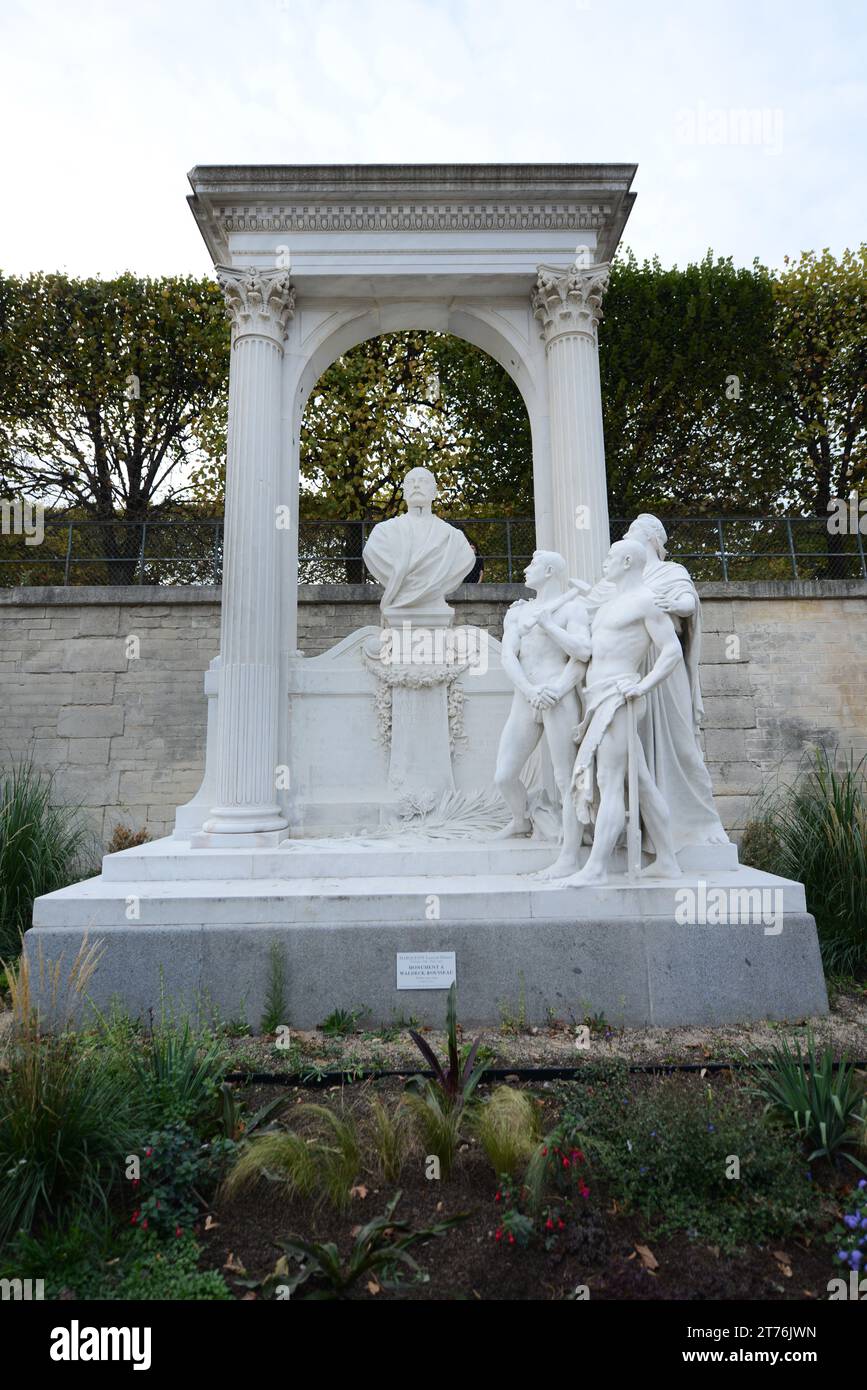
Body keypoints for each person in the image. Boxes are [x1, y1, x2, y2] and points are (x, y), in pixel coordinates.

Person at [551, 538, 684, 886]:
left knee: (608, 782)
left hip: (618, 698)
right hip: (598, 697)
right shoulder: (612, 602)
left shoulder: (644, 601)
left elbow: (671, 651)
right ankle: (668, 861)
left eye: (610, 556)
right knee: (640, 782)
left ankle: (596, 868)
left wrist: (643, 685)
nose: (604, 562)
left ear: (627, 561)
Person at [493, 550, 591, 877]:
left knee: (567, 778)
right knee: (504, 774)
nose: (525, 567)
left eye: (532, 564)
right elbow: (508, 656)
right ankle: (521, 821)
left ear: (549, 571)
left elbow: (582, 653)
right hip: (527, 696)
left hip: (558, 696)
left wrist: (558, 690)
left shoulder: (573, 607)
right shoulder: (518, 612)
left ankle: (569, 856)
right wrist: (530, 690)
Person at [362, 467, 475, 625]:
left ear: (434, 492)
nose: (416, 485)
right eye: (410, 482)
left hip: (436, 609)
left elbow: (466, 561)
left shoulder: (454, 539)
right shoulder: (381, 534)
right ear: (405, 492)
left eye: (422, 481)